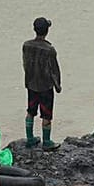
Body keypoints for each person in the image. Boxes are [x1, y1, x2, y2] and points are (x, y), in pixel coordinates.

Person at [21, 17, 61, 150]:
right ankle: (47, 142)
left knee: (30, 110)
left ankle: (30, 138)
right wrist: (58, 85)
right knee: (46, 114)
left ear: (34, 29)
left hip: (31, 84)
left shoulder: (26, 45)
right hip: (45, 86)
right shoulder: (49, 49)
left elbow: (25, 64)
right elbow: (54, 70)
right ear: (47, 31)